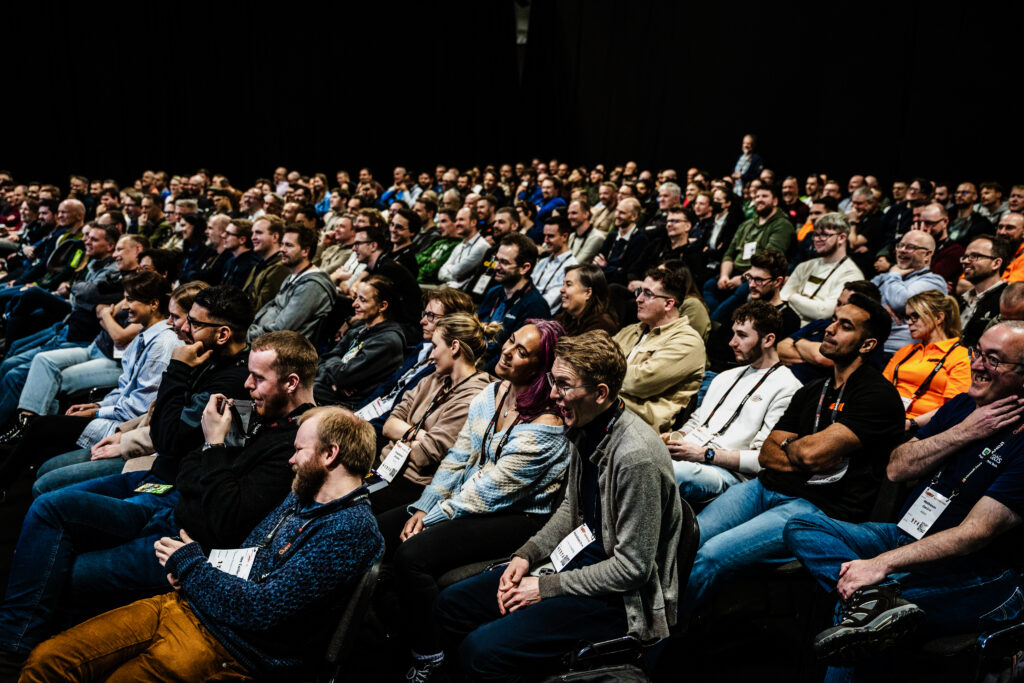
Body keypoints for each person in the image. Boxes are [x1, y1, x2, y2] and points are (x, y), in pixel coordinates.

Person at [0, 331, 317, 669]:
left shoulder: (295, 444)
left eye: (258, 378)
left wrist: (214, 446)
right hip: (172, 509)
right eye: (249, 374)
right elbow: (186, 467)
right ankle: (15, 645)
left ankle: (27, 656)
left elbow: (227, 520)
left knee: (67, 571)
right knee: (51, 507)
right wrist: (210, 457)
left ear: (291, 382)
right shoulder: (258, 411)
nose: (248, 385)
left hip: (190, 546)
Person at [14, 406, 384, 683]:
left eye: (299, 450)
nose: (291, 459)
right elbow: (249, 557)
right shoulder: (303, 495)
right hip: (189, 604)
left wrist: (191, 564)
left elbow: (264, 611)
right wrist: (193, 566)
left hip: (230, 649)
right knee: (47, 662)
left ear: (329, 454)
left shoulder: (350, 530)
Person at [434, 330, 683, 682]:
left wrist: (544, 588)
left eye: (564, 384)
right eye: (553, 379)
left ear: (601, 394)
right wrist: (526, 556)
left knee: (480, 651)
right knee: (452, 604)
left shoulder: (634, 457)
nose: (552, 393)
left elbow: (632, 569)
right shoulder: (584, 425)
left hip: (617, 600)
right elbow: (571, 510)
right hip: (575, 565)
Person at [784, 322, 1024, 674]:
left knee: (862, 616)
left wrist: (881, 565)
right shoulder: (961, 407)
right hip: (906, 536)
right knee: (802, 524)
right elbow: (897, 468)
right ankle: (875, 598)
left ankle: (874, 601)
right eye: (978, 353)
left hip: (981, 573)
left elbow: (975, 534)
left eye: (994, 359)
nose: (977, 365)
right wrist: (964, 432)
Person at [681, 293, 906, 618]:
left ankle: (662, 645)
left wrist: (800, 449)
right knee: (688, 540)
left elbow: (811, 454)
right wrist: (801, 453)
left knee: (711, 555)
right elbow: (768, 454)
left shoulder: (877, 396)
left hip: (815, 506)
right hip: (764, 487)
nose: (830, 330)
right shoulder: (813, 389)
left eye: (845, 326)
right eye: (833, 321)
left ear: (867, 345)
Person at [375, 320, 569, 679]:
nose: (507, 352)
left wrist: (430, 519)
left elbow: (489, 493)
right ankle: (384, 631)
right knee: (380, 527)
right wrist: (423, 506)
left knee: (412, 555)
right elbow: (457, 459)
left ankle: (430, 655)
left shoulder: (547, 426)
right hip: (467, 500)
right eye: (510, 342)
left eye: (521, 352)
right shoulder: (492, 393)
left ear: (541, 369)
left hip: (518, 516)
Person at [0, 272, 180, 488]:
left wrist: (96, 412)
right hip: (118, 413)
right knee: (46, 436)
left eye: (131, 300)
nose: (124, 307)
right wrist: (97, 404)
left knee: (42, 427)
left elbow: (139, 407)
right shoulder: (143, 335)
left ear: (153, 304)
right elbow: (124, 388)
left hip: (128, 427)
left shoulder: (163, 345)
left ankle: (5, 482)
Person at [28, 282, 208, 497]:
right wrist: (105, 414)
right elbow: (150, 408)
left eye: (176, 318)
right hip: (135, 432)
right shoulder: (173, 346)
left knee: (44, 479)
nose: (169, 323)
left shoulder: (170, 347)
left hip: (152, 457)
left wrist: (123, 437)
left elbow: (163, 429)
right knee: (45, 463)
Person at [667, 301, 801, 504]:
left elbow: (763, 459)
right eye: (733, 333)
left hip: (731, 474)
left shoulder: (788, 387)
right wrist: (674, 438)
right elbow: (697, 422)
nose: (732, 342)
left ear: (768, 340)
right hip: (694, 457)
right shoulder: (726, 376)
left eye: (742, 335)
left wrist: (706, 454)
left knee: (673, 472)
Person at [370, 313, 496, 513]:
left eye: (436, 347)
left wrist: (405, 436)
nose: (431, 355)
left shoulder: (474, 397)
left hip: (413, 485)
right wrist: (420, 435)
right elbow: (390, 424)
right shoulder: (435, 378)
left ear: (454, 347)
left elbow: (424, 455)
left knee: (346, 508)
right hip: (386, 469)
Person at [614, 267, 705, 433]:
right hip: (609, 409)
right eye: (639, 292)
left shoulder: (687, 342)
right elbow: (594, 358)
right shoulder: (632, 330)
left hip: (639, 426)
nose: (638, 299)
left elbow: (638, 382)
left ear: (669, 304)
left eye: (647, 294)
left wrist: (601, 372)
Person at [704, 184, 795, 321]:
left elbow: (768, 261)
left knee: (741, 292)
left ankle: (713, 324)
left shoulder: (782, 225)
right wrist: (724, 276)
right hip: (734, 273)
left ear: (775, 201)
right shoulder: (746, 225)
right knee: (710, 285)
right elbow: (729, 253)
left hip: (757, 277)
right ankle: (715, 322)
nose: (759, 199)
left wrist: (743, 278)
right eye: (757, 196)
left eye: (764, 196)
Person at [314, 275, 407, 409]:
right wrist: (334, 378)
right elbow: (326, 358)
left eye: (362, 300)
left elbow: (342, 376)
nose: (354, 304)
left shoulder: (387, 342)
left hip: (344, 407)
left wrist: (338, 378)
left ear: (382, 306)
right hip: (327, 391)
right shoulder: (358, 329)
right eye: (356, 297)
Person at [883, 291, 971, 429]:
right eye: (908, 317)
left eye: (915, 316)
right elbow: (882, 389)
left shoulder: (960, 356)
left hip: (925, 428)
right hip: (887, 419)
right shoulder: (905, 351)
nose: (909, 323)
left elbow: (953, 407)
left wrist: (911, 423)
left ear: (938, 317)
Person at [246, 224, 335, 342]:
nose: (282, 249)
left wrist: (244, 336)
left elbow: (280, 330)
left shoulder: (312, 287)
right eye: (282, 244)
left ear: (305, 251)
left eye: (288, 245)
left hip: (279, 347)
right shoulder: (291, 277)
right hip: (261, 337)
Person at [477, 234, 551, 373]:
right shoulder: (494, 292)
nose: (496, 267)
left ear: (524, 268)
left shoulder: (535, 306)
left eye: (504, 262)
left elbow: (515, 355)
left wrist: (478, 372)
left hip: (497, 374)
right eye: (497, 260)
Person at [782, 212, 865, 325]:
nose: (817, 239)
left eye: (824, 235)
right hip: (790, 324)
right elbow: (782, 297)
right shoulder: (805, 266)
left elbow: (824, 313)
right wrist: (808, 306)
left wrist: (793, 297)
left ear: (841, 238)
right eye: (816, 234)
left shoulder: (851, 274)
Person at [872, 230, 947, 354]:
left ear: (927, 254)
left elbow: (901, 302)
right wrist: (880, 308)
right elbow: (855, 298)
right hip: (872, 346)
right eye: (900, 245)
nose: (902, 250)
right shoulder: (883, 277)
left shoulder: (934, 282)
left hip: (899, 352)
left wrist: (894, 275)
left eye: (910, 247)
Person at [957, 235, 1010, 347]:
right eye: (965, 257)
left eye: (974, 256)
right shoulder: (960, 300)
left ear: (996, 263)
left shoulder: (1006, 300)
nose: (965, 261)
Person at [593, 198, 649, 286]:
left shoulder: (640, 239)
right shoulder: (612, 236)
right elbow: (596, 262)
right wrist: (614, 269)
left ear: (634, 216)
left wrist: (604, 266)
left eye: (622, 213)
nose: (617, 215)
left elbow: (625, 274)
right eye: (617, 211)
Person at [554, 264, 619, 336]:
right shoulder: (565, 316)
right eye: (563, 284)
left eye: (568, 285)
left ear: (588, 293)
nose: (562, 290)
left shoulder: (601, 326)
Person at [531, 215, 577, 313]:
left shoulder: (572, 267)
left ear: (564, 237)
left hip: (542, 316)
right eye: (545, 236)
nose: (545, 240)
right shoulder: (543, 261)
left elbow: (549, 302)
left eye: (550, 236)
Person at [242, 215, 289, 310]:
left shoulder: (280, 268)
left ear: (275, 237)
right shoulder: (259, 265)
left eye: (258, 233)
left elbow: (261, 308)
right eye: (252, 233)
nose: (253, 237)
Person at [566, 198, 605, 265]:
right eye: (568, 213)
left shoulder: (596, 237)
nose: (569, 217)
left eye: (574, 213)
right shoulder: (572, 236)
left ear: (586, 214)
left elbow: (578, 263)